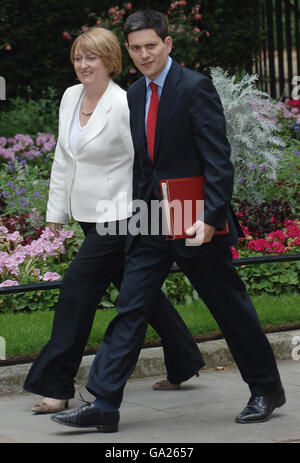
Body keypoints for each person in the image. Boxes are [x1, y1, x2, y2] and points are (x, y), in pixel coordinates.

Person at [51, 10, 285, 433]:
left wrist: (212, 217)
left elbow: (218, 158)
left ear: (168, 44)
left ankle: (267, 389)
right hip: (149, 221)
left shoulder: (195, 88)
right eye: (136, 48)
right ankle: (104, 402)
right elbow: (144, 164)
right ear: (129, 50)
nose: (144, 55)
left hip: (195, 220)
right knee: (130, 307)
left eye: (151, 46)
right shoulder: (136, 93)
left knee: (229, 307)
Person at [23, 26, 205, 414]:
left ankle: (56, 385)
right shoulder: (71, 96)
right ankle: (184, 361)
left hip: (120, 217)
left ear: (110, 61)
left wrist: (146, 214)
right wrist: (55, 214)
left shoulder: (124, 104)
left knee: (76, 292)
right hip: (88, 215)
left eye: (92, 57)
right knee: (142, 295)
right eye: (78, 57)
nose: (83, 65)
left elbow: (145, 164)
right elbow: (62, 157)